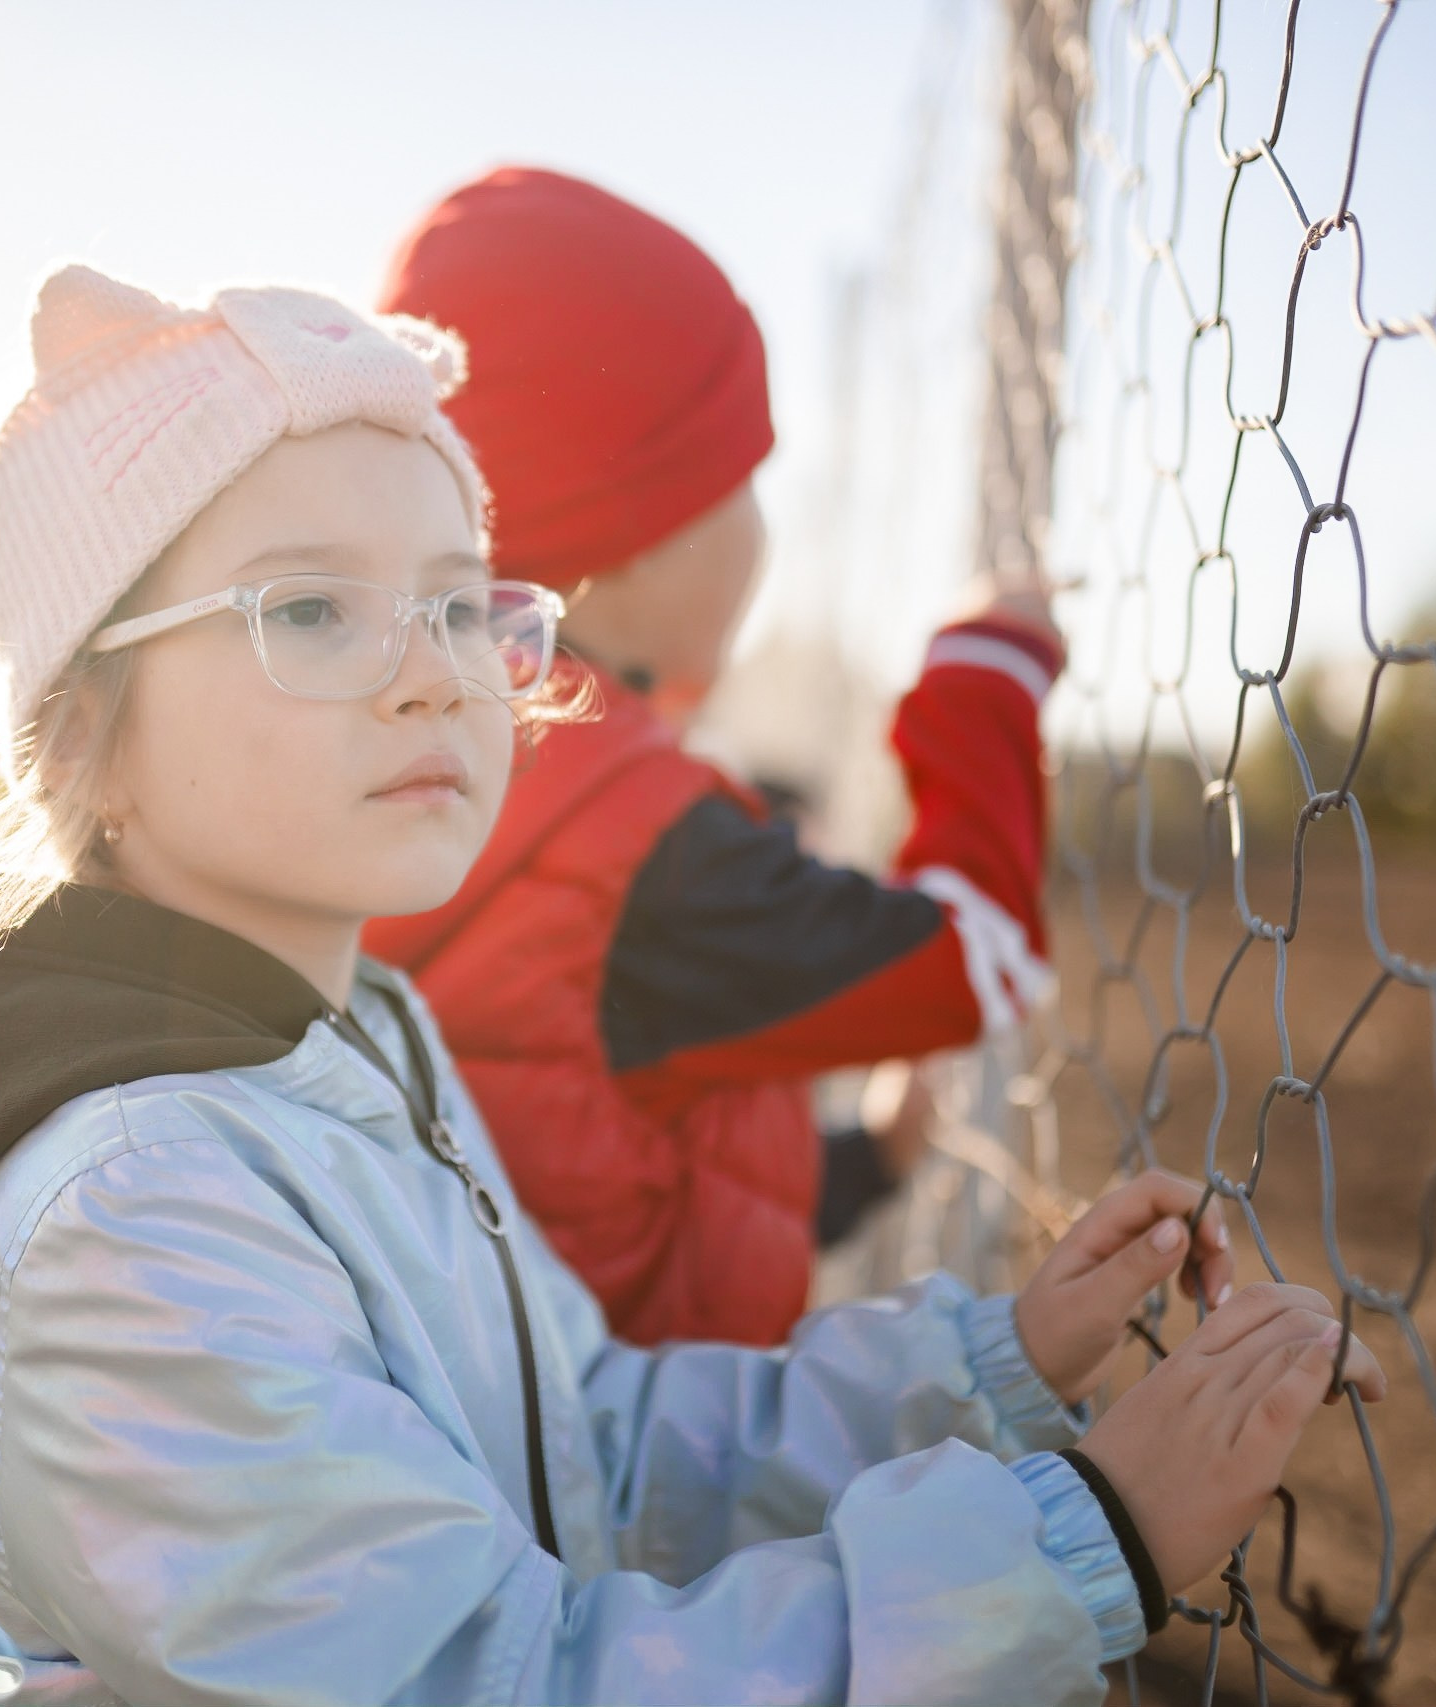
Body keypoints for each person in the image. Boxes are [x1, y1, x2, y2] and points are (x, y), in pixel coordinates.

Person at [0, 262, 1384, 1706]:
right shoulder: (130, 1223)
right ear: (79, 730)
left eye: (459, 600)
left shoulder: (361, 1039)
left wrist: (991, 1360)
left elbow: (594, 1434)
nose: (436, 665)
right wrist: (1085, 1536)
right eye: (309, 606)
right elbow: (511, 1676)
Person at [366, 168, 1069, 1346]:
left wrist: (860, 1169)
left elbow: (589, 1153)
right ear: (633, 535)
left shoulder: (451, 752)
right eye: (743, 477)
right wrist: (985, 672)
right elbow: (980, 958)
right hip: (620, 1490)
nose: (766, 527)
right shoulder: (641, 840)